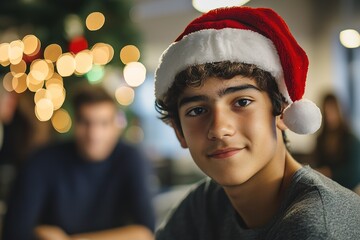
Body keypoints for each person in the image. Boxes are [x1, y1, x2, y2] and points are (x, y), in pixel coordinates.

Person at [153, 6, 360, 239]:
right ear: (179, 132)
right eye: (197, 110)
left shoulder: (317, 227)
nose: (220, 129)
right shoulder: (204, 205)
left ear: (282, 112)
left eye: (242, 102)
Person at [2, 84, 156, 240]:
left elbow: (146, 232)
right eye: (85, 122)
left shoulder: (131, 159)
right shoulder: (41, 162)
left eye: (103, 123)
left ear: (116, 126)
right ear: (75, 122)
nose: (94, 134)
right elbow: (14, 232)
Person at [312, 92, 360, 191]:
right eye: (326, 112)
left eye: (332, 111)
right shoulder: (320, 139)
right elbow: (317, 165)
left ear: (339, 111)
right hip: (326, 189)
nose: (329, 116)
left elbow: (354, 174)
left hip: (349, 191)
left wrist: (330, 173)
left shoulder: (351, 140)